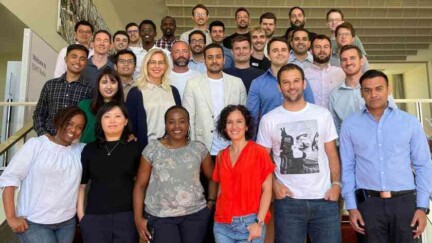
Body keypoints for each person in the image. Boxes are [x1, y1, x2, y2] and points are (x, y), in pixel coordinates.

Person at [340, 70, 432, 242]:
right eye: (367, 90)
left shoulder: (409, 122)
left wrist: (422, 206)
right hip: (368, 205)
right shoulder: (350, 125)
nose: (373, 94)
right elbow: (347, 167)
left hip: (404, 203)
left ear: (388, 89)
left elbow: (423, 165)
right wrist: (351, 207)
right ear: (361, 93)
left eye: (378, 88)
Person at [257, 64, 341, 243]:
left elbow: (332, 153)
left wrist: (336, 184)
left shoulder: (322, 114)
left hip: (324, 198)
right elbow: (262, 160)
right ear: (279, 87)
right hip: (288, 201)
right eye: (286, 82)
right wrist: (274, 184)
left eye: (296, 81)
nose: (291, 86)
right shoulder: (269, 119)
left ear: (304, 84)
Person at [0, 106, 87, 243]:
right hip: (34, 223)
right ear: (58, 121)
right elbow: (10, 177)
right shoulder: (36, 145)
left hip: (67, 223)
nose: (73, 130)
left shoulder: (81, 151)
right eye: (69, 123)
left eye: (79, 127)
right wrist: (11, 217)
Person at [133, 105, 215, 243]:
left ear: (188, 124)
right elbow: (140, 186)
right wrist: (138, 218)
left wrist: (210, 203)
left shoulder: (199, 149)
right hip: (160, 215)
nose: (177, 126)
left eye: (182, 121)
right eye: (171, 122)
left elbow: (213, 178)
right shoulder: (152, 149)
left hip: (195, 215)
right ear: (165, 124)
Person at [78, 102, 140, 243]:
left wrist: (138, 215)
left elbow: (140, 184)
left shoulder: (134, 148)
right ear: (100, 121)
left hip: (126, 217)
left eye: (118, 116)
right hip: (94, 217)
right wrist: (82, 216)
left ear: (125, 121)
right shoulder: (89, 149)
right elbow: (82, 186)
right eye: (107, 116)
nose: (112, 120)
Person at [213, 105, 274, 243]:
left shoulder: (259, 152)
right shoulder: (221, 155)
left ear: (246, 126)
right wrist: (217, 215)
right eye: (229, 122)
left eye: (239, 121)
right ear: (224, 127)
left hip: (250, 223)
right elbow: (221, 189)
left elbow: (267, 190)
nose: (234, 126)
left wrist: (259, 223)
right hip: (223, 225)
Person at [183, 43, 247, 156]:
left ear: (224, 59)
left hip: (232, 147)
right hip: (203, 148)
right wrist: (191, 147)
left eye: (218, 57)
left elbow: (244, 117)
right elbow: (189, 117)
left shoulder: (237, 83)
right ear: (204, 60)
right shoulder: (192, 84)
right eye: (210, 57)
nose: (214, 61)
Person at [126, 48, 181, 149]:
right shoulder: (136, 92)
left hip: (173, 148)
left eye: (161, 62)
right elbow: (130, 126)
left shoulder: (173, 91)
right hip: (146, 149)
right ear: (146, 65)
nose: (157, 66)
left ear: (166, 66)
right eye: (152, 62)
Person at [34, 44, 93, 136]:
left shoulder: (90, 89)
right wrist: (44, 135)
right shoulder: (50, 85)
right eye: (74, 57)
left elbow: (90, 120)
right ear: (66, 59)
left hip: (74, 142)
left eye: (82, 59)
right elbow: (39, 113)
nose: (77, 61)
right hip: (49, 139)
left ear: (86, 63)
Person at [78, 67, 124, 143]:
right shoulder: (84, 104)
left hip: (109, 152)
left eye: (113, 82)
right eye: (104, 82)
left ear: (118, 85)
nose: (109, 86)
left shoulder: (123, 109)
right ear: (98, 84)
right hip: (83, 150)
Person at [303, 34, 345, 108]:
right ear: (311, 51)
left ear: (331, 51)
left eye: (326, 47)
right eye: (318, 47)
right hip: (312, 118)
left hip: (335, 119)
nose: (322, 50)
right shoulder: (303, 74)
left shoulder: (341, 73)